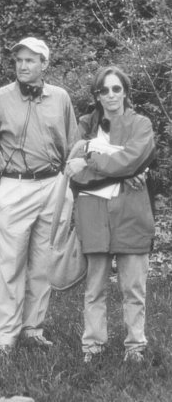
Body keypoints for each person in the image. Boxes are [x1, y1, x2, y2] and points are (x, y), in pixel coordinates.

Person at [0, 37, 78, 353]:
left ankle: (33, 328)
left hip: (53, 186)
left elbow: (74, 145)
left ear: (45, 64)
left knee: (45, 262)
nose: (22, 65)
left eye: (30, 60)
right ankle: (5, 337)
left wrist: (68, 183)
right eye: (19, 60)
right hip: (14, 186)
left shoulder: (60, 98)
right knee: (11, 265)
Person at [66, 66, 155, 363]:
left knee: (133, 288)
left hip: (131, 214)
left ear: (126, 92)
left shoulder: (141, 124)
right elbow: (74, 174)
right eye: (104, 90)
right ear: (97, 95)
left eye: (116, 88)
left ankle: (135, 347)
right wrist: (120, 169)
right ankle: (92, 346)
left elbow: (131, 160)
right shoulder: (83, 126)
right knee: (93, 288)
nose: (111, 95)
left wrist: (91, 157)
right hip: (93, 214)